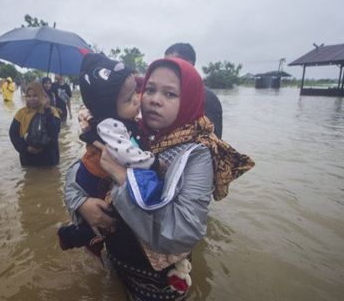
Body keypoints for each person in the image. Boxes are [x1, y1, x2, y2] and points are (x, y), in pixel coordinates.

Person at [64, 57, 254, 299]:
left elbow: (183, 232)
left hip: (154, 283)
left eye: (170, 94)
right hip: (115, 258)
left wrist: (122, 178)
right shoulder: (129, 129)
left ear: (189, 101)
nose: (155, 99)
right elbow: (76, 173)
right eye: (150, 89)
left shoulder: (196, 154)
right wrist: (82, 204)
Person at [57, 53, 165, 259]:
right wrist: (155, 162)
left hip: (143, 246)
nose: (139, 99)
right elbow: (126, 154)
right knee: (103, 223)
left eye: (171, 94)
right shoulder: (112, 125)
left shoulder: (190, 147)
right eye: (149, 90)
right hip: (97, 182)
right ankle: (73, 237)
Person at [164, 43, 223, 138]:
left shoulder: (207, 97)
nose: (165, 69)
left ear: (189, 64)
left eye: (171, 64)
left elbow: (214, 139)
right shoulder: (169, 93)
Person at [9, 82, 61, 167]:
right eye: (29, 96)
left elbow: (54, 133)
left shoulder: (52, 112)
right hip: (28, 159)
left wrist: (47, 109)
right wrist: (26, 149)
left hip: (48, 158)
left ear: (42, 96)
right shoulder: (21, 113)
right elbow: (13, 134)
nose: (31, 99)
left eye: (35, 96)